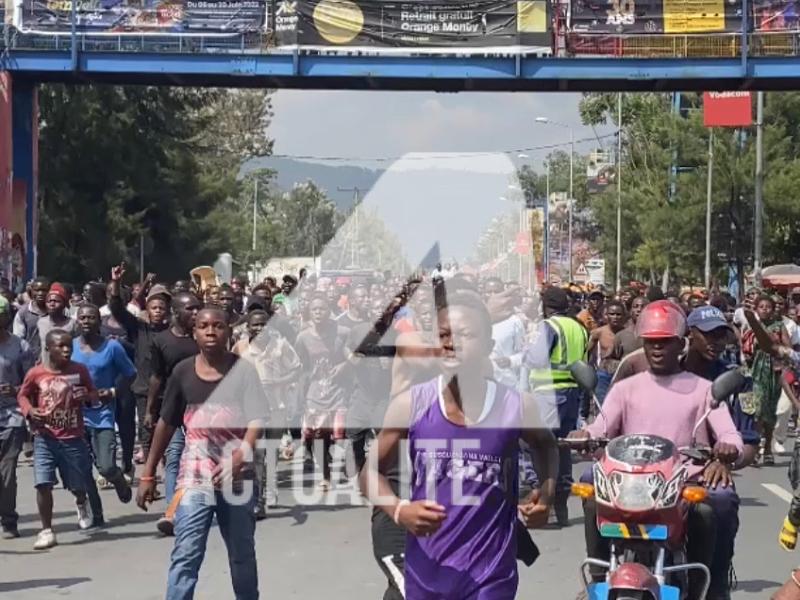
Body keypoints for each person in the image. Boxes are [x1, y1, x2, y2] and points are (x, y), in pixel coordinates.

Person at [359, 289, 557, 599]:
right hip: (427, 572)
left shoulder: (516, 407)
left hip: (490, 574)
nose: (452, 343)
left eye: (466, 335)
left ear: (489, 346)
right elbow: (369, 473)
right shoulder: (410, 404)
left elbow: (546, 445)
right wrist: (400, 510)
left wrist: (545, 496)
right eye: (444, 334)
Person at [570, 300, 743, 600]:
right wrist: (584, 434)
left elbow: (730, 434)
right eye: (651, 343)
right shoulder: (627, 388)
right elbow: (601, 426)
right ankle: (597, 578)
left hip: (682, 481)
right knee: (588, 485)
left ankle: (711, 585)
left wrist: (727, 449)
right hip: (629, 480)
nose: (657, 349)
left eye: (665, 342)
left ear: (681, 344)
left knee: (720, 500)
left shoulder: (704, 389)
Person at [136, 305, 267, 600]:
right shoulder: (182, 372)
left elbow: (259, 418)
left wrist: (242, 452)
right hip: (195, 477)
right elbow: (166, 423)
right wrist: (148, 473)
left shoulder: (243, 370)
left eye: (218, 326)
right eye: (204, 326)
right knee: (187, 552)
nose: (211, 331)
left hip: (237, 478)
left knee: (242, 554)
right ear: (194, 332)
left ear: (228, 330)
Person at [682, 305, 758, 599]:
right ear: (690, 335)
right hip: (660, 469)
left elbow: (750, 442)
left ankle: (716, 582)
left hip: (707, 474)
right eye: (708, 335)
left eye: (721, 336)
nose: (715, 342)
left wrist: (729, 459)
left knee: (723, 500)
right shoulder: (666, 369)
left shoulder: (737, 380)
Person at [17, 329, 98, 549]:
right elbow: (22, 395)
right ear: (48, 348)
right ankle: (46, 530)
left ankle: (81, 501)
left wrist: (86, 396)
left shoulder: (78, 370)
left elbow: (93, 394)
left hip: (72, 436)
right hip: (45, 436)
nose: (66, 350)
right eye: (60, 346)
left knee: (77, 483)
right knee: (43, 483)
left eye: (69, 347)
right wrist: (30, 410)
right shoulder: (36, 374)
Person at [523, 285, 588, 526]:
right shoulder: (579, 327)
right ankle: (560, 505)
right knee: (563, 447)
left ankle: (545, 504)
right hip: (572, 392)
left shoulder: (549, 326)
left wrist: (525, 353)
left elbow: (537, 358)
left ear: (546, 306)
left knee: (540, 445)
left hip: (548, 393)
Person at [72, 303, 137, 527]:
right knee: (82, 469)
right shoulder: (69, 347)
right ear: (77, 321)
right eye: (82, 318)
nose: (87, 321)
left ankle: (119, 480)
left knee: (106, 466)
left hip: (103, 415)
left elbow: (130, 374)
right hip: (76, 416)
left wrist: (112, 391)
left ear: (99, 322)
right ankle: (96, 513)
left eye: (91, 317)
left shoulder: (112, 347)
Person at [234, 309, 300, 518]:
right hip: (251, 410)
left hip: (276, 408)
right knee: (258, 454)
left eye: (264, 324)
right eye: (256, 325)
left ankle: (270, 489)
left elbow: (297, 369)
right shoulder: (241, 348)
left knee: (270, 452)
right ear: (248, 327)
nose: (260, 328)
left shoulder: (280, 345)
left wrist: (278, 382)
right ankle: (258, 500)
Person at [146, 291, 201, 535]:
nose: (195, 313)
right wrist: (150, 410)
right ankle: (172, 511)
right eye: (190, 309)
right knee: (174, 458)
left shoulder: (202, 338)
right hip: (173, 409)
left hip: (201, 410)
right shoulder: (161, 341)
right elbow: (156, 377)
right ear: (176, 312)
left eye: (197, 308)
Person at [108, 266, 170, 466]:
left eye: (162, 307)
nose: (158, 311)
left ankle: (169, 467)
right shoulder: (139, 329)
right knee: (147, 431)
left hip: (169, 390)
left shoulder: (172, 331)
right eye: (154, 307)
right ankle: (149, 471)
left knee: (170, 432)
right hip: (144, 389)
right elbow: (117, 310)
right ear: (148, 310)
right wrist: (116, 283)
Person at [294, 293, 351, 491]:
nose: (318, 313)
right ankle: (325, 474)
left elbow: (354, 356)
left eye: (322, 309)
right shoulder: (303, 337)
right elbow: (301, 365)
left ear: (329, 311)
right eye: (314, 309)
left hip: (338, 390)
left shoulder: (342, 332)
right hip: (315, 392)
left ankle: (346, 464)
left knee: (339, 433)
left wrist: (343, 366)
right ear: (309, 313)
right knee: (319, 436)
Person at [0, 296, 34, 539]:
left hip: (12, 416)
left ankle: (9, 520)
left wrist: (16, 390)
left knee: (7, 468)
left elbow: (31, 384)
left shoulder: (20, 347)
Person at [743, 295, 788, 465]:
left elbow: (787, 347)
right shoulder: (752, 326)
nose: (764, 309)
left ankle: (768, 447)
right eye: (761, 306)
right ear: (756, 309)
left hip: (774, 373)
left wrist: (777, 349)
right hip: (756, 370)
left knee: (770, 412)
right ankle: (755, 448)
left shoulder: (779, 326)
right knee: (757, 410)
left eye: (768, 306)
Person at [484, 277, 525, 390]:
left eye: (496, 292)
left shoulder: (514, 321)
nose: (492, 295)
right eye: (489, 292)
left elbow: (524, 354)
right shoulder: (474, 318)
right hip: (481, 386)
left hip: (507, 386)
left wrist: (510, 361)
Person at [587, 300, 627, 404]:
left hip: (622, 375)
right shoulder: (598, 332)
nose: (615, 317)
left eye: (618, 314)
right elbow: (587, 353)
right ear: (606, 315)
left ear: (623, 316)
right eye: (612, 314)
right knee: (602, 405)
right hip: (603, 374)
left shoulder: (628, 333)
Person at [37, 283, 78, 362]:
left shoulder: (72, 324)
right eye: (49, 301)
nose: (52, 304)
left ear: (64, 304)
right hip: (46, 367)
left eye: (56, 301)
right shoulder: (41, 322)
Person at [13, 276, 49, 359]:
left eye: (44, 290)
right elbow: (18, 339)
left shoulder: (56, 311)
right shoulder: (23, 313)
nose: (40, 293)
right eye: (37, 290)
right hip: (29, 359)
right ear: (31, 291)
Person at [612, 295, 648, 359]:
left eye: (643, 307)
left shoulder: (654, 336)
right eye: (635, 307)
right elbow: (610, 360)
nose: (639, 310)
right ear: (631, 310)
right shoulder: (621, 335)